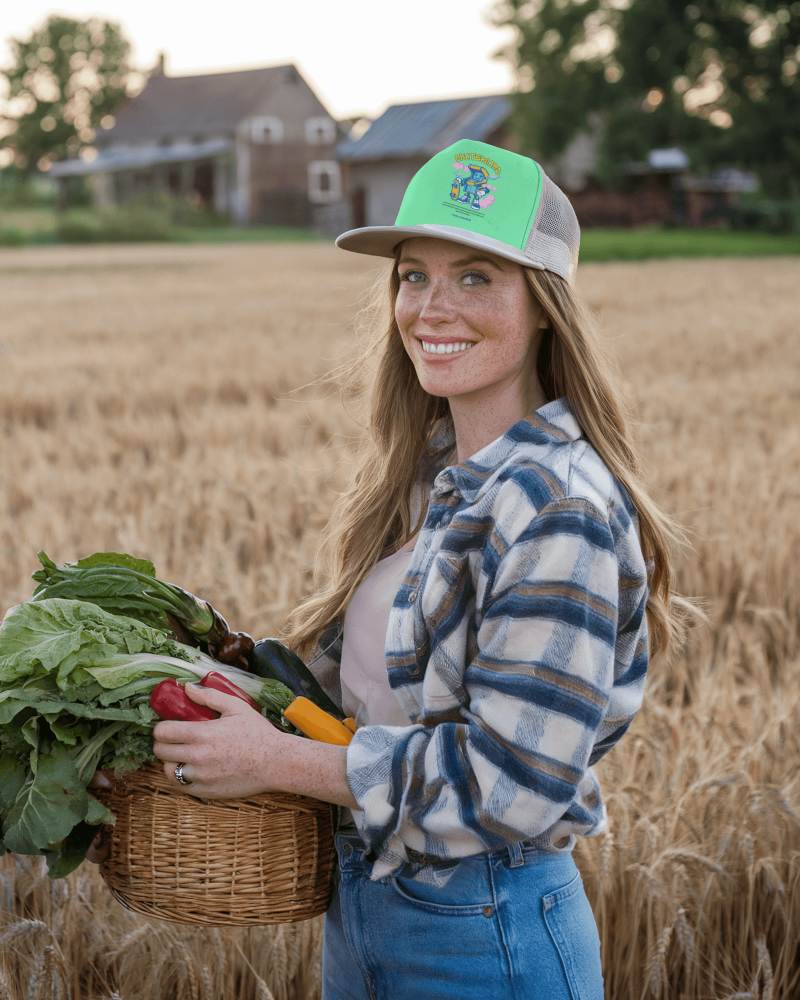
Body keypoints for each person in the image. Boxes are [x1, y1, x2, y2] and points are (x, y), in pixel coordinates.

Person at [94, 138, 701, 998]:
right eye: (413, 275)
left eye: (476, 276)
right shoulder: (429, 473)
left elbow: (512, 784)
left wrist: (272, 762)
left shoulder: (554, 505)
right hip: (370, 908)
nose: (430, 308)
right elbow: (365, 701)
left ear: (544, 306)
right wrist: (197, 677)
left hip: (485, 933)